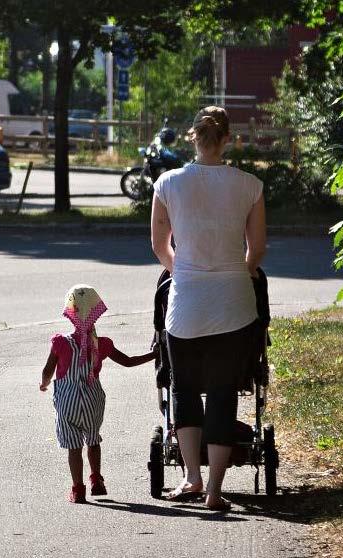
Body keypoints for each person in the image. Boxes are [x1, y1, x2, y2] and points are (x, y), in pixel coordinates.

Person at [150, 106, 266, 511]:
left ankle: (190, 478)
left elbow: (159, 246)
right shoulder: (249, 185)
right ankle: (216, 491)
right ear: (228, 138)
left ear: (192, 138)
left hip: (186, 307)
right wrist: (239, 272)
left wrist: (182, 270)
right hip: (234, 304)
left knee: (183, 390)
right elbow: (257, 251)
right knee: (222, 395)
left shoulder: (168, 183)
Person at [40, 284, 154, 504]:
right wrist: (154, 354)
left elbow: (48, 370)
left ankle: (78, 489)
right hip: (93, 399)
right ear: (97, 313)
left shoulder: (60, 342)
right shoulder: (102, 344)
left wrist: (44, 384)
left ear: (70, 313)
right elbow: (128, 362)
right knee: (92, 440)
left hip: (67, 401)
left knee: (74, 447)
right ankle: (97, 480)